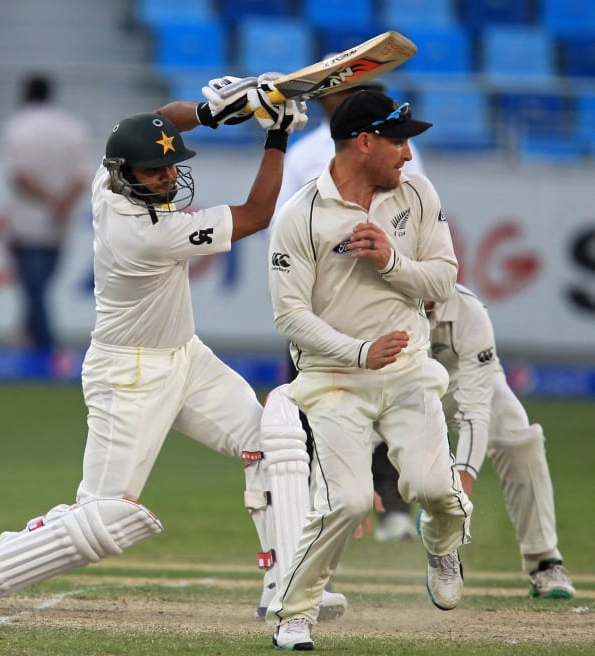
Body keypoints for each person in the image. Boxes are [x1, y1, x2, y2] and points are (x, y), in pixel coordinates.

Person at [0, 75, 316, 617]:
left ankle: (286, 585)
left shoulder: (106, 180)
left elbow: (153, 124)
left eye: (171, 165)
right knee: (107, 516)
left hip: (186, 356)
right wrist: (274, 138)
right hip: (129, 374)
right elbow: (256, 215)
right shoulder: (143, 232)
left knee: (274, 442)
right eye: (155, 171)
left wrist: (212, 111)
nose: (168, 176)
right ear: (127, 174)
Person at [265, 90, 473, 650]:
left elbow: (443, 280)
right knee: (349, 501)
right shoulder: (301, 215)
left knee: (435, 489)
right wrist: (357, 354)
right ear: (364, 142)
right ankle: (294, 612)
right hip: (335, 381)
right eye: (399, 141)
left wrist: (390, 261)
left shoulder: (417, 195)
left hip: (408, 372)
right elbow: (289, 316)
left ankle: (441, 542)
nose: (407, 155)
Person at [276, 81, 425, 547]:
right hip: (321, 305)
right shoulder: (304, 153)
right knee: (309, 411)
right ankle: (311, 508)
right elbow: (288, 224)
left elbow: (423, 212)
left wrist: (413, 273)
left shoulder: (397, 147)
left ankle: (394, 508)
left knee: (390, 403)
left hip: (383, 299)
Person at [425, 284, 575, 599]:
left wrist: (462, 483)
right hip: (396, 384)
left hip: (462, 380)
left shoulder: (469, 311)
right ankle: (315, 570)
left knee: (520, 438)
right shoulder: (379, 299)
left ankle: (544, 562)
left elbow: (476, 411)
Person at [0, 73, 91, 351]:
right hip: (59, 223)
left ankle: (45, 347)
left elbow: (18, 176)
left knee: (34, 289)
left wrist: (48, 200)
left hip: (25, 222)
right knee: (39, 289)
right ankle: (30, 336)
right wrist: (61, 203)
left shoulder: (16, 127)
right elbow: (82, 176)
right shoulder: (73, 128)